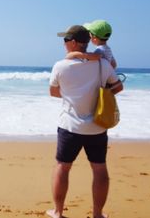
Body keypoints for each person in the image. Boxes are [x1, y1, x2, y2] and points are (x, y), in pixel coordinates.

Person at [48, 25, 123, 218]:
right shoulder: (103, 64)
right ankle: (98, 214)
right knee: (99, 169)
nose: (63, 44)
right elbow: (117, 87)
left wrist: (74, 95)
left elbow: (54, 93)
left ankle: (58, 212)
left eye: (65, 40)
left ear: (73, 43)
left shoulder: (60, 66)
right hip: (97, 127)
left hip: (69, 126)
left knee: (63, 167)